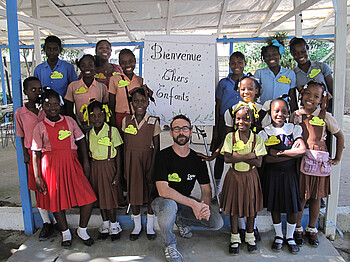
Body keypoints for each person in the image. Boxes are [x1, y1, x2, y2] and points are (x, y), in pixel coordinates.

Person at [152, 114, 223, 262]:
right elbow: (163, 190)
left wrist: (204, 208)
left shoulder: (197, 159)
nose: (181, 132)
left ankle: (182, 221)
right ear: (171, 132)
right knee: (170, 206)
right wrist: (193, 204)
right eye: (176, 129)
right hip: (163, 202)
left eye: (185, 129)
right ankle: (170, 244)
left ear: (190, 132)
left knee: (216, 223)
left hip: (183, 202)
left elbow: (206, 189)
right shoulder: (163, 156)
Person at [32, 89, 97, 247]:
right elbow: (35, 154)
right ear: (43, 107)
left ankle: (82, 230)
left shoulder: (69, 121)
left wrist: (86, 163)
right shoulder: (39, 127)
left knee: (88, 199)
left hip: (72, 164)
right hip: (51, 168)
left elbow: (81, 141)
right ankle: (65, 233)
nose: (52, 107)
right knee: (56, 201)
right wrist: (37, 177)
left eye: (55, 104)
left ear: (60, 105)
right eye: (48, 104)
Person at [290, 81, 344, 247]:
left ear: (321, 99)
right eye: (307, 94)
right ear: (302, 94)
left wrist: (337, 158)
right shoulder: (296, 115)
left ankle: (311, 229)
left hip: (319, 165)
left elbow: (340, 136)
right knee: (301, 197)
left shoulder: (325, 116)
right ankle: (297, 228)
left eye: (316, 96)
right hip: (301, 163)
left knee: (316, 197)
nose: (310, 99)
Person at [258, 98, 306, 254]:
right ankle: (279, 236)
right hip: (272, 175)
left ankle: (290, 237)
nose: (280, 114)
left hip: (290, 175)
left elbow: (301, 151)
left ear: (288, 112)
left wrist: (281, 153)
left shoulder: (293, 129)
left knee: (292, 206)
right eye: (276, 111)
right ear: (270, 113)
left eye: (284, 111)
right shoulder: (265, 132)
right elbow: (268, 158)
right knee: (275, 206)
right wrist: (291, 154)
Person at [220, 105, 266, 255]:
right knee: (234, 207)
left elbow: (259, 163)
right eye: (238, 119)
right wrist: (250, 156)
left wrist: (237, 156)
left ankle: (250, 235)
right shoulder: (230, 137)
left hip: (250, 177)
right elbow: (227, 158)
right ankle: (234, 237)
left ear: (252, 121)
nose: (242, 122)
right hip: (234, 177)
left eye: (246, 119)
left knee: (251, 208)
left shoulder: (257, 139)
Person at [15, 77, 54, 240]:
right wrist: (26, 155)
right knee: (39, 188)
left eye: (39, 89)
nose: (37, 93)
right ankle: (46, 222)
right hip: (34, 155)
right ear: (25, 92)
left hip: (50, 154)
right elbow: (21, 135)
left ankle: (58, 218)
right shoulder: (20, 113)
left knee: (52, 187)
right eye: (33, 90)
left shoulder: (46, 109)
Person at [122, 87, 161, 241]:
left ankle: (150, 226)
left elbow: (157, 146)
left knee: (150, 192)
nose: (139, 104)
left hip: (148, 159)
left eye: (143, 101)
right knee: (134, 193)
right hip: (131, 160)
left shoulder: (153, 121)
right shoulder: (126, 120)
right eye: (136, 101)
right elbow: (125, 144)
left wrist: (153, 166)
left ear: (147, 103)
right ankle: (137, 226)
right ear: (132, 103)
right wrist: (125, 165)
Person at [87, 100, 124, 241]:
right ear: (89, 117)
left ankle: (114, 225)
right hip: (95, 167)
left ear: (105, 116)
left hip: (109, 166)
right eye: (93, 116)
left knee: (110, 197)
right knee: (101, 198)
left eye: (100, 115)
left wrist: (118, 173)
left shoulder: (112, 131)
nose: (96, 119)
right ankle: (105, 224)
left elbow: (119, 153)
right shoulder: (89, 133)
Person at [211, 52, 245, 182]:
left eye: (240, 62)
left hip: (242, 123)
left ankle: (237, 185)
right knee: (220, 154)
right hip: (223, 124)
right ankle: (217, 187)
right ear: (229, 65)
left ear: (245, 63)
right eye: (233, 63)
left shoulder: (249, 81)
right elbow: (218, 106)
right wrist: (215, 130)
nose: (236, 65)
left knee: (240, 153)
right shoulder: (223, 83)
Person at [65, 54, 108, 133]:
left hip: (98, 126)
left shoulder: (102, 87)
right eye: (83, 65)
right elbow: (69, 110)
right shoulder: (73, 86)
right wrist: (76, 126)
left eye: (90, 65)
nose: (87, 68)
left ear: (95, 66)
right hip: (79, 125)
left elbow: (106, 109)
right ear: (79, 67)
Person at [289, 37, 333, 112]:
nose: (300, 55)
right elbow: (293, 98)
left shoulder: (321, 67)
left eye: (303, 51)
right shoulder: (293, 74)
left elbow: (332, 90)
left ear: (307, 48)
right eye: (296, 53)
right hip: (307, 112)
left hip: (326, 109)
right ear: (292, 54)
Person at [109, 49, 143, 131]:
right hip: (120, 116)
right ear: (120, 64)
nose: (128, 65)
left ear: (135, 61)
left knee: (133, 141)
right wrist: (113, 121)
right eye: (123, 62)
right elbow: (111, 102)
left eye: (130, 61)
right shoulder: (114, 79)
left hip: (137, 116)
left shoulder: (140, 80)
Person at [254, 39, 296, 104]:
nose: (271, 57)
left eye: (274, 54)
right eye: (267, 55)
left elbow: (292, 96)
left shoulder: (290, 74)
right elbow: (255, 94)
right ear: (264, 59)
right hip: (264, 111)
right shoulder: (259, 73)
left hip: (283, 111)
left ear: (280, 56)